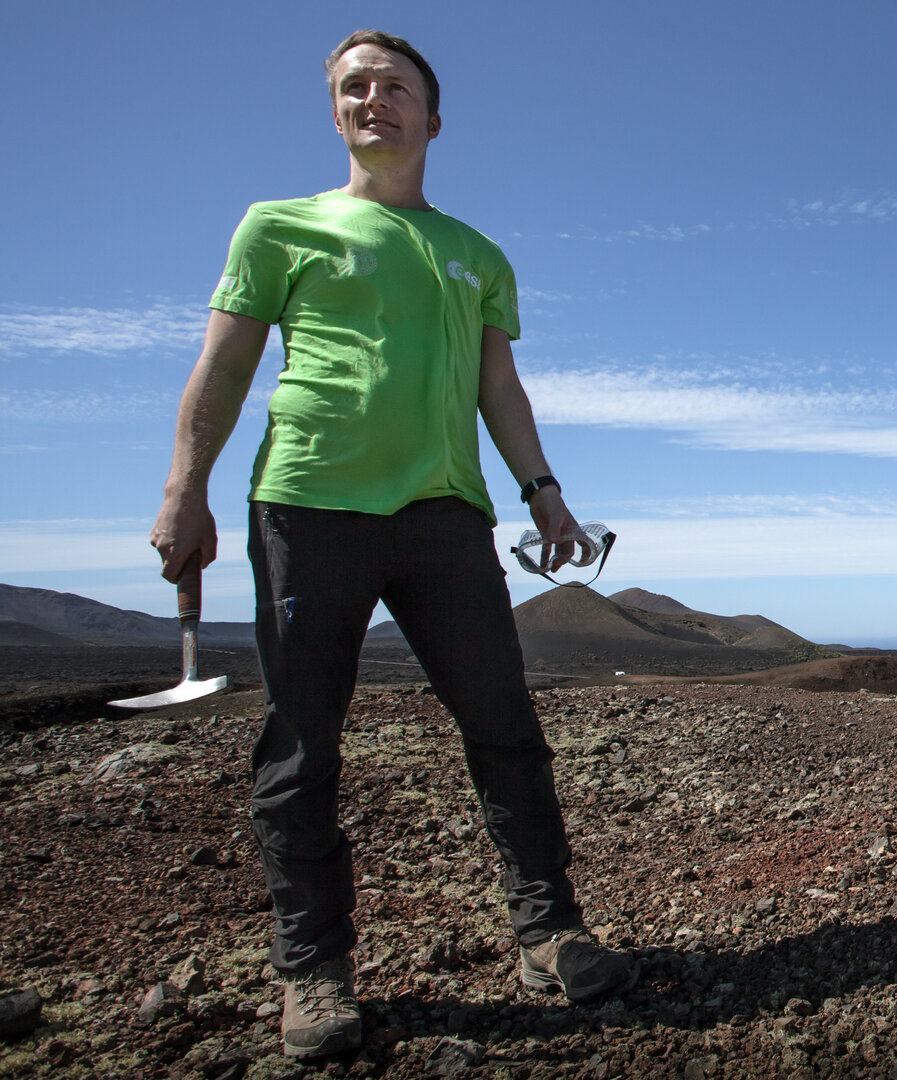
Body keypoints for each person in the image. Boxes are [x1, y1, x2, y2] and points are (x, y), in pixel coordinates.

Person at [147, 30, 630, 1059]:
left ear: (432, 118)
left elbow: (498, 385)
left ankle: (550, 933)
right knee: (300, 744)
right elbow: (224, 369)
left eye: (395, 87)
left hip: (446, 515)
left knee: (505, 726)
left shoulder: (478, 253)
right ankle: (312, 973)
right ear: (336, 113)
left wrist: (543, 491)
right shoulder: (277, 227)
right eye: (354, 87)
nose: (375, 99)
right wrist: (185, 486)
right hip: (308, 507)